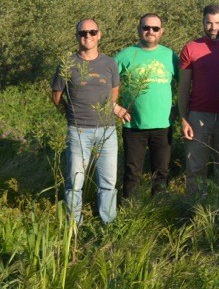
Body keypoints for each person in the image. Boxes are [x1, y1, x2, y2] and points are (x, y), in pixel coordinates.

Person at [51, 18, 125, 224]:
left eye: (92, 32)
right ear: (77, 36)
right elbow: (56, 95)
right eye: (83, 33)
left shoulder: (110, 63)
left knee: (108, 182)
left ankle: (108, 223)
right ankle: (74, 226)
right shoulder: (68, 64)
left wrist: (114, 109)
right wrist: (69, 113)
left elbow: (114, 94)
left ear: (99, 35)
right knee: (75, 182)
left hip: (107, 130)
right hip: (78, 131)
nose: (88, 36)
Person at [115, 13, 178, 198]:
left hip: (163, 124)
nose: (150, 31)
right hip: (134, 125)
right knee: (132, 172)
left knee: (162, 172)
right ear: (139, 30)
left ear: (161, 32)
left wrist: (179, 108)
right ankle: (130, 211)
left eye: (155, 28)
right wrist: (115, 107)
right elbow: (106, 82)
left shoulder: (170, 56)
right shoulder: (125, 55)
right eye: (146, 28)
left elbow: (184, 84)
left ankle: (158, 209)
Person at [178, 4, 219, 191]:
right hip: (198, 115)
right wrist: (183, 118)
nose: (213, 28)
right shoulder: (191, 48)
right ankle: (195, 210)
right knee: (195, 168)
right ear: (203, 22)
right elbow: (183, 86)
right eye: (209, 23)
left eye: (217, 23)